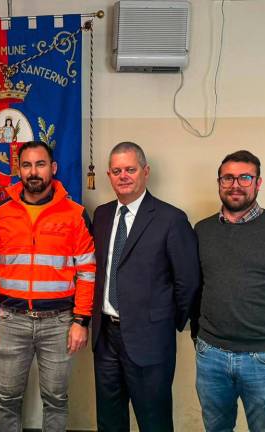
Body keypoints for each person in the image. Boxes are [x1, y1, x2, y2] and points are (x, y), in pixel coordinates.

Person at [0, 141, 96, 432]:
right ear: (18, 169)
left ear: (52, 169)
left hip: (58, 323)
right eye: (27, 165)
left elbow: (88, 272)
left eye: (40, 164)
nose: (33, 172)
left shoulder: (75, 214)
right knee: (7, 398)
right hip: (10, 321)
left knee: (55, 399)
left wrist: (81, 320)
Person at [191, 150, 265, 432]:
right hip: (211, 355)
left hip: (264, 357)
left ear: (258, 183)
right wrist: (198, 332)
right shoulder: (202, 230)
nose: (235, 184)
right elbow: (194, 286)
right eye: (228, 178)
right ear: (219, 182)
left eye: (245, 177)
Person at [90, 142, 200, 431]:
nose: (123, 176)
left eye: (130, 169)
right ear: (109, 175)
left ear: (145, 171)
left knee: (154, 421)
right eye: (116, 171)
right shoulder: (100, 215)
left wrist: (163, 322)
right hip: (105, 339)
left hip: (150, 340)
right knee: (109, 421)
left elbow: (187, 282)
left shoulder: (171, 219)